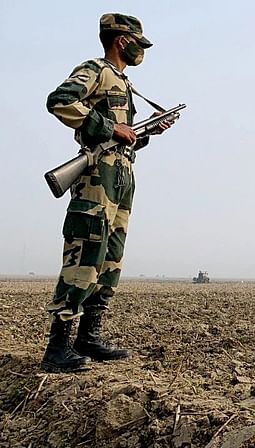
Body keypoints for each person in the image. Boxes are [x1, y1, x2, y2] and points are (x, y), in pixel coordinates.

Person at [42, 13, 172, 373]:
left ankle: (88, 338)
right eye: (137, 43)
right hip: (96, 180)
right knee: (85, 257)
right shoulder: (96, 70)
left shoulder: (125, 84)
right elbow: (60, 100)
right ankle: (57, 348)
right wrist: (110, 126)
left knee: (110, 261)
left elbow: (120, 141)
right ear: (121, 40)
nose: (140, 51)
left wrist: (144, 135)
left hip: (121, 177)